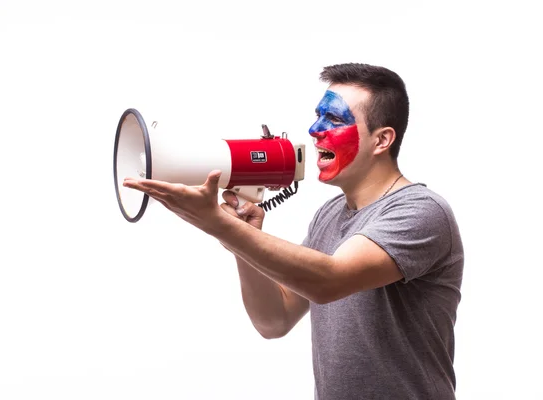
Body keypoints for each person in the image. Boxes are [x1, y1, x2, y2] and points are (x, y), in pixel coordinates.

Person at [123, 63, 464, 400]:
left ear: (381, 140)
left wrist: (218, 223)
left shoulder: (421, 211)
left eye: (333, 119)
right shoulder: (329, 216)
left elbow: (330, 281)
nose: (315, 130)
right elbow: (274, 320)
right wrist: (241, 236)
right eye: (317, 116)